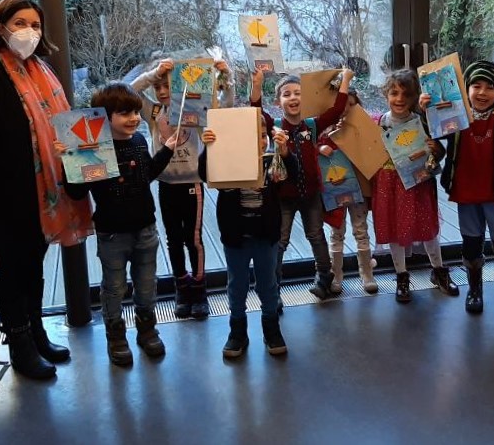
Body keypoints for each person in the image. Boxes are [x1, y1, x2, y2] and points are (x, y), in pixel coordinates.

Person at [0, 0, 94, 380]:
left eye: (35, 25)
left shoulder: (39, 69)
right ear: (0, 27)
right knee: (15, 271)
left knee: (33, 265)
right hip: (8, 198)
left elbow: (63, 126)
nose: (29, 31)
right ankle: (19, 345)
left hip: (43, 195)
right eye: (20, 23)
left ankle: (36, 334)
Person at [63, 82, 177, 366]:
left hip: (146, 228)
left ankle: (147, 329)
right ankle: (115, 335)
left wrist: (167, 150)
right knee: (114, 287)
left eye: (136, 112)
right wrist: (70, 161)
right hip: (112, 232)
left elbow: (146, 175)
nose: (134, 118)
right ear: (104, 117)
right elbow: (76, 193)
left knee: (147, 285)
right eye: (125, 113)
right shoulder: (92, 148)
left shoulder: (138, 141)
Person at [131, 56, 233, 320]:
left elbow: (225, 108)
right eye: (158, 87)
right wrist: (154, 73)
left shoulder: (195, 110)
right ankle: (182, 288)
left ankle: (199, 291)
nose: (162, 91)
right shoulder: (154, 112)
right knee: (173, 240)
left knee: (194, 239)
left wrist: (227, 78)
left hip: (192, 184)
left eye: (168, 85)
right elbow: (132, 91)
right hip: (166, 185)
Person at [251, 68, 354, 302]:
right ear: (278, 102)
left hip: (311, 194)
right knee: (280, 241)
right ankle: (273, 288)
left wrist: (345, 80)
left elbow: (336, 110)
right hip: (283, 196)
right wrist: (257, 85)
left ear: (304, 99)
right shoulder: (276, 126)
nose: (293, 98)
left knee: (316, 235)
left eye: (297, 93)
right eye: (286, 94)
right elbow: (256, 111)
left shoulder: (312, 125)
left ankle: (324, 278)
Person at [435, 60, 494, 320]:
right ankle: (474, 291)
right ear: (466, 88)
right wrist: (425, 108)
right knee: (471, 243)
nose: (482, 92)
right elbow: (433, 131)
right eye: (476, 86)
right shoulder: (454, 113)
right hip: (466, 191)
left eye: (490, 87)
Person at [200, 118, 296, 357]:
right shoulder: (225, 160)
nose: (259, 141)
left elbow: (292, 174)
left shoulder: (270, 160)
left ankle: (271, 328)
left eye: (262, 135)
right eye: (251, 136)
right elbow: (204, 173)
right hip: (236, 234)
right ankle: (237, 331)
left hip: (266, 234)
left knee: (268, 284)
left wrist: (285, 152)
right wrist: (208, 150)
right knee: (237, 284)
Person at [375, 70, 457, 303]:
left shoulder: (423, 121)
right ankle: (401, 276)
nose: (399, 99)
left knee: (427, 226)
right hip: (389, 183)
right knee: (394, 228)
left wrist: (436, 149)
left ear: (414, 97)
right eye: (394, 93)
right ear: (386, 95)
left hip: (418, 183)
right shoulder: (379, 122)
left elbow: (439, 153)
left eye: (406, 94)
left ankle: (438, 270)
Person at [317, 88, 378, 295]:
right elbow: (314, 148)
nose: (345, 110)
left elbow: (373, 151)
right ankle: (336, 275)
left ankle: (367, 273)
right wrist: (321, 148)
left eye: (351, 105)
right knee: (337, 232)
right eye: (341, 105)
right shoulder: (325, 130)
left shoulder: (362, 129)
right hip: (336, 191)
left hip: (358, 190)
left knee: (361, 230)